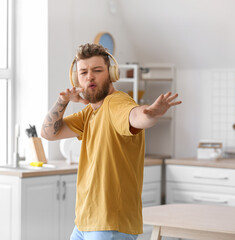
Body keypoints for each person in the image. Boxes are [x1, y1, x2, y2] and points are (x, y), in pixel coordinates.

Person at [41, 43, 181, 240]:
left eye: (97, 70)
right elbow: (49, 133)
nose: (89, 76)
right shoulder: (88, 113)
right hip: (85, 222)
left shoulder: (117, 103)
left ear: (111, 74)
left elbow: (136, 116)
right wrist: (63, 101)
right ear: (76, 79)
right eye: (83, 72)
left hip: (110, 225)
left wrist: (150, 113)